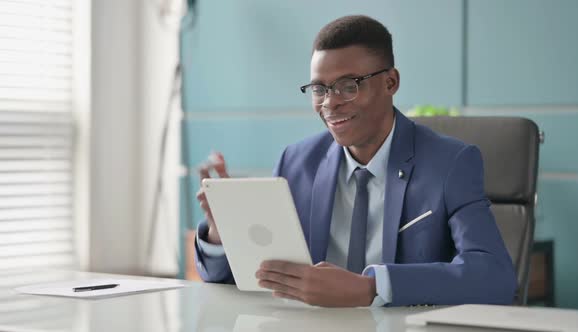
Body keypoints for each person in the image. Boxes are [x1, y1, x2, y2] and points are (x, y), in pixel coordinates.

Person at [194, 15, 517, 307]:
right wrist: (223, 235)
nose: (330, 103)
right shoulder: (297, 162)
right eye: (320, 89)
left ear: (391, 82)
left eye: (349, 86)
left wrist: (371, 288)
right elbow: (239, 280)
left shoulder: (450, 162)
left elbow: (495, 278)